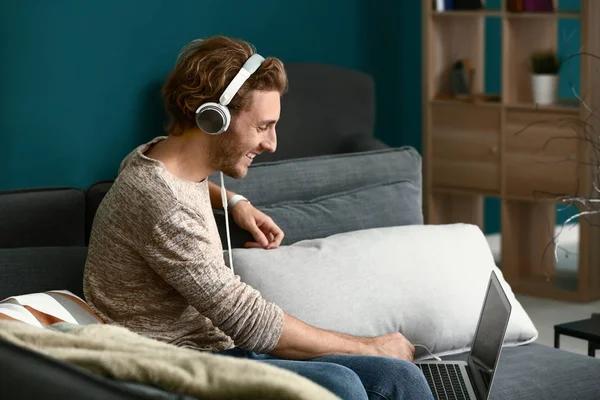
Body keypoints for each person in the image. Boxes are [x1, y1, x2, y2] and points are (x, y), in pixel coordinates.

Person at [83, 36, 434, 400]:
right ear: (213, 118)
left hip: (217, 349)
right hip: (178, 364)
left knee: (399, 378)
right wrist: (369, 347)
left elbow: (154, 179)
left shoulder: (155, 157)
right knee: (342, 385)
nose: (272, 144)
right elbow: (248, 321)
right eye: (263, 126)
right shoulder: (161, 204)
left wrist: (235, 202)